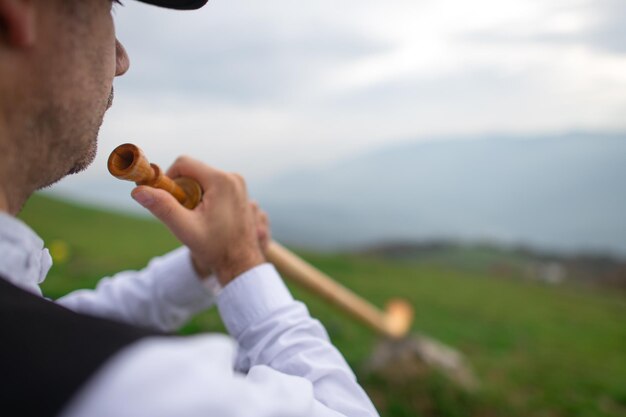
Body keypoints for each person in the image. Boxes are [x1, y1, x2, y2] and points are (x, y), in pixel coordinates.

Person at [0, 1, 379, 416]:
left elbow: (58, 326)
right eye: (106, 5)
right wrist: (239, 262)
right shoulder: (136, 392)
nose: (121, 59)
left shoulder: (39, 349)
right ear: (18, 10)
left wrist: (202, 267)